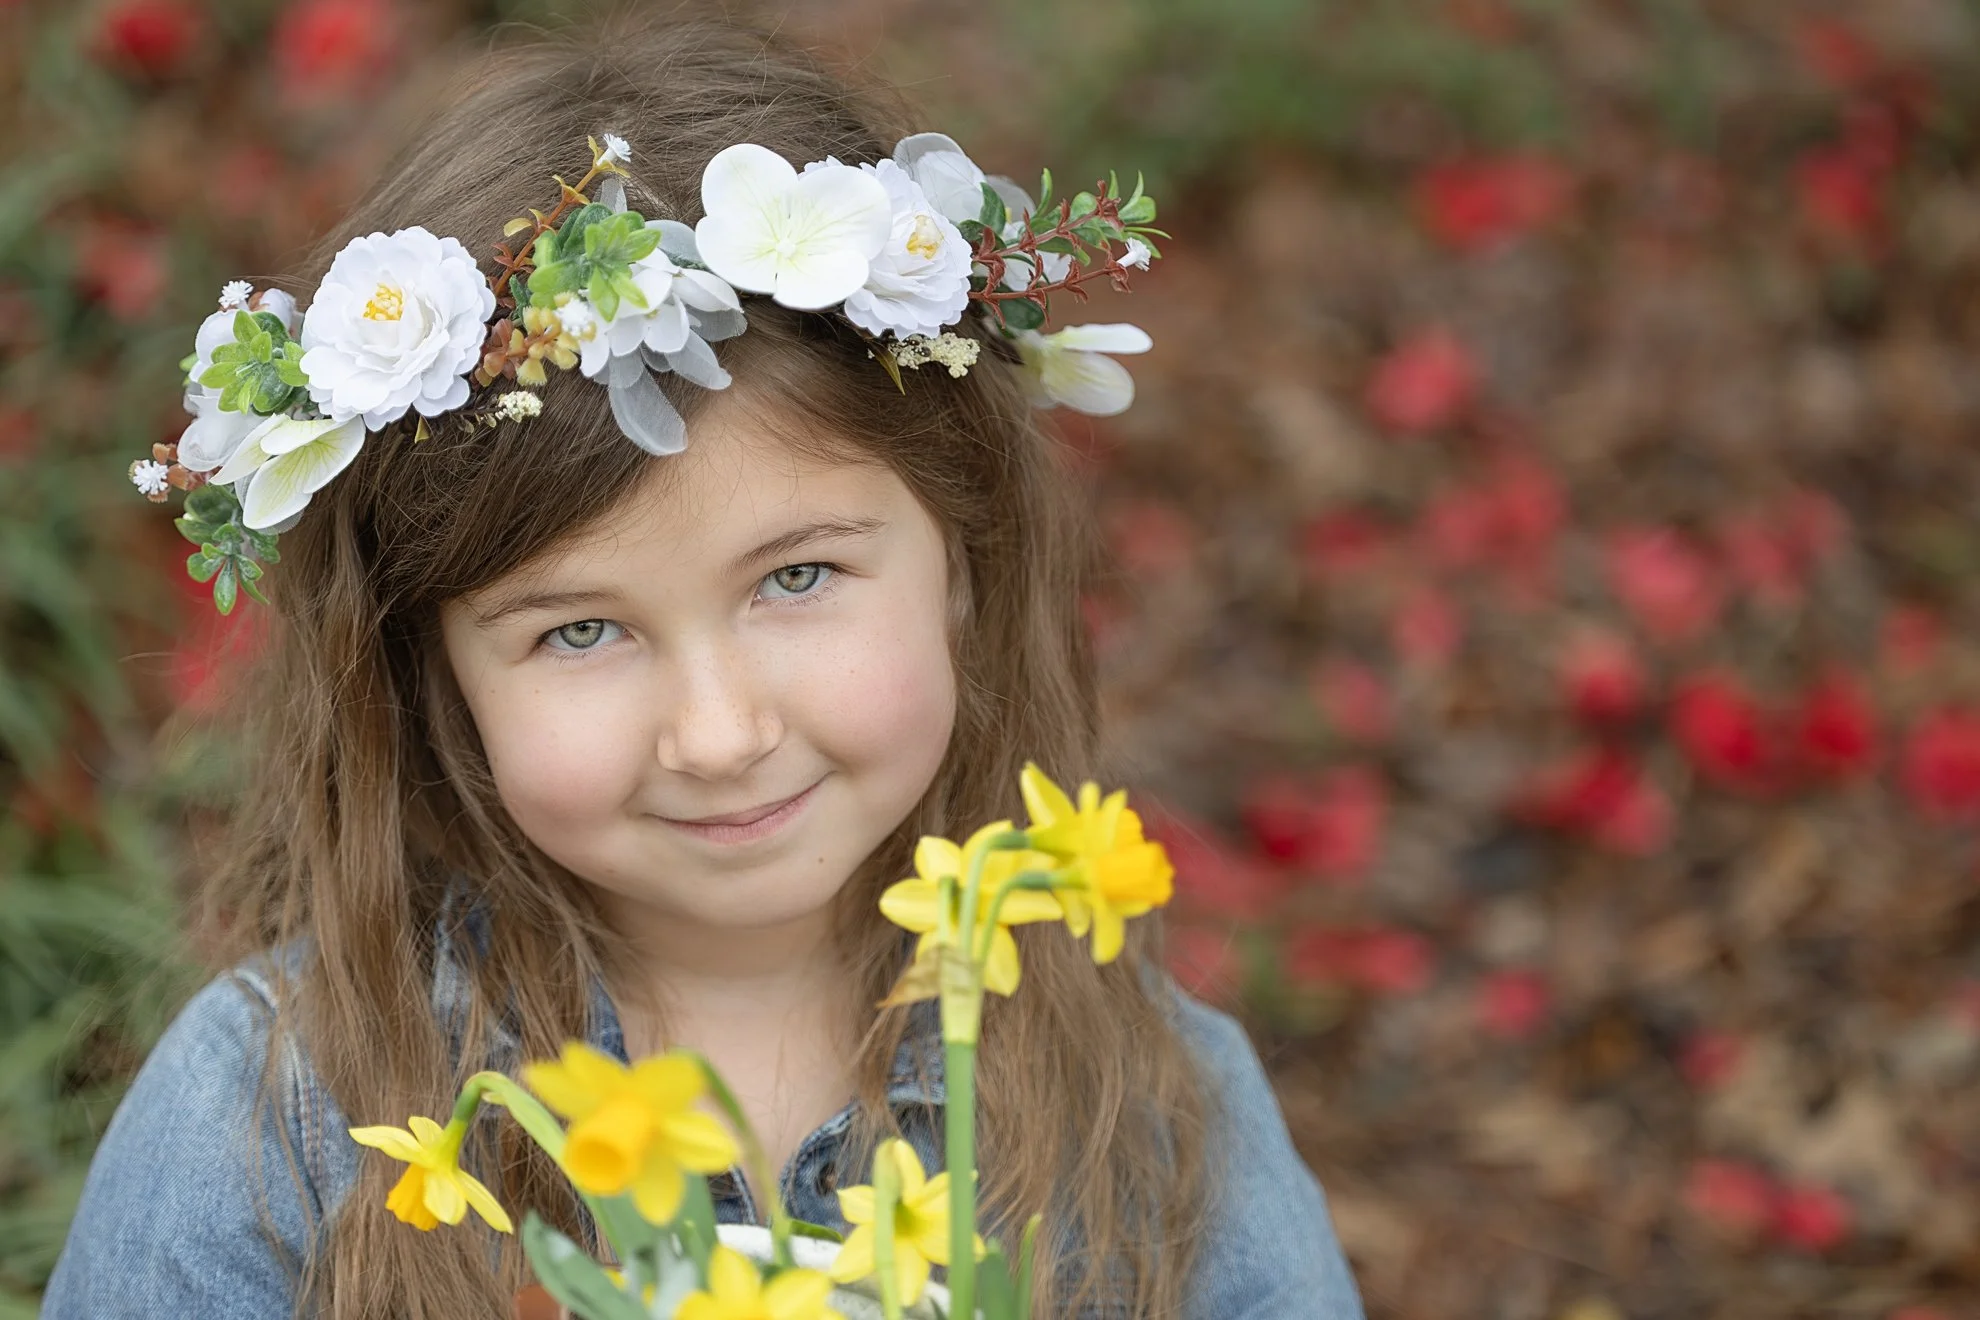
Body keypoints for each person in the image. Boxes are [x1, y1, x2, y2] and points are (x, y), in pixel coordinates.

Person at [43, 12, 1364, 1320]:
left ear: (965, 560)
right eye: (579, 631)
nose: (720, 735)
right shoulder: (267, 1128)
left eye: (797, 579)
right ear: (431, 669)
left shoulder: (1161, 1114)